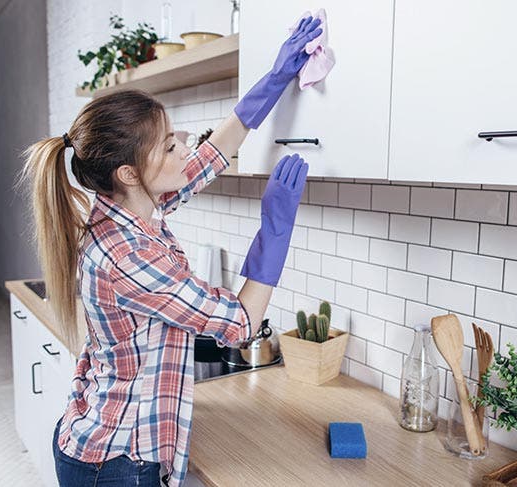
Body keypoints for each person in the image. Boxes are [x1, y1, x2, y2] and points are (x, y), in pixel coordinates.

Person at [17, 16, 323, 487]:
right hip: (117, 462)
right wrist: (275, 230)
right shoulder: (129, 256)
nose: (184, 146)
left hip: (105, 439)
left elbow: (209, 156)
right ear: (129, 173)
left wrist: (276, 76)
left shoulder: (130, 207)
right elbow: (240, 325)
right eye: (168, 144)